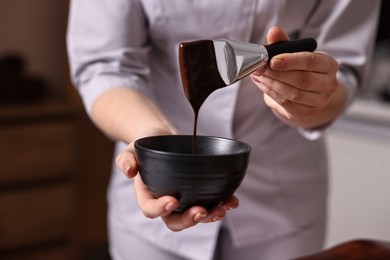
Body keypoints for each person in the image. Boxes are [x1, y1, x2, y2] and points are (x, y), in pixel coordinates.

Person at [67, 1, 380, 259]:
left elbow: (343, 68)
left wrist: (306, 97)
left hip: (281, 199)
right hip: (152, 199)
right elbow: (104, 66)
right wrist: (155, 141)